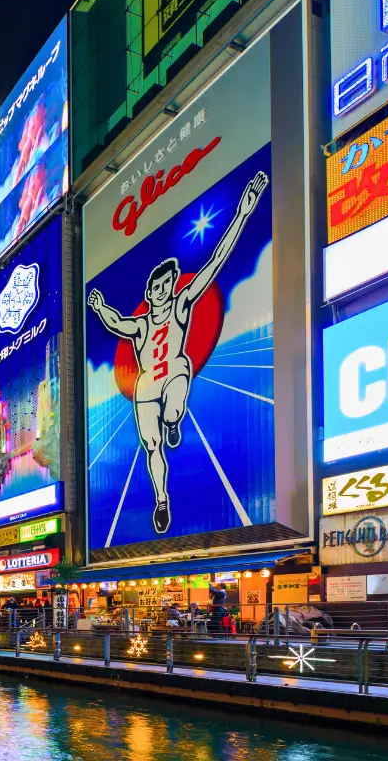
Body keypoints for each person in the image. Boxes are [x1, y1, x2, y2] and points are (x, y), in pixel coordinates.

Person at [87, 171, 270, 534]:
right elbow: (115, 321)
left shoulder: (181, 305)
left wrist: (243, 214)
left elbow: (215, 261)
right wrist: (97, 307)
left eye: (167, 284)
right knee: (151, 446)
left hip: (174, 373)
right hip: (145, 389)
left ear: (171, 287)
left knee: (176, 384)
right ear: (150, 290)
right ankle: (161, 500)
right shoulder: (140, 325)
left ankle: (174, 420)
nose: (162, 290)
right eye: (157, 286)